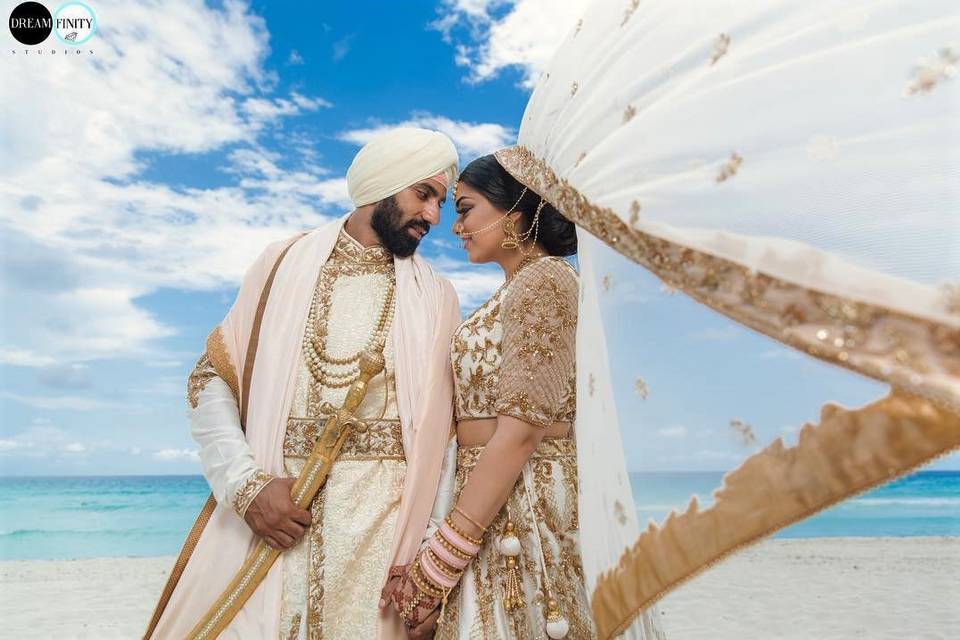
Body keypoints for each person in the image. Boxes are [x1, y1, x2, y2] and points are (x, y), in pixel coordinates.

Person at [145, 127, 463, 639]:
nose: (432, 216)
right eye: (423, 194)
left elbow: (446, 443)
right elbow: (210, 379)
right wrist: (247, 488)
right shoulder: (280, 266)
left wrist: (427, 566)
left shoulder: (438, 297)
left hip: (383, 543)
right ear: (383, 185)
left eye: (441, 204)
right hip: (275, 520)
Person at [383, 154, 664, 639]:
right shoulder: (516, 290)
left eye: (466, 209)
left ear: (513, 211)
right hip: (490, 502)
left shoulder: (546, 282)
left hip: (525, 507)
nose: (456, 228)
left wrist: (440, 564)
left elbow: (520, 433)